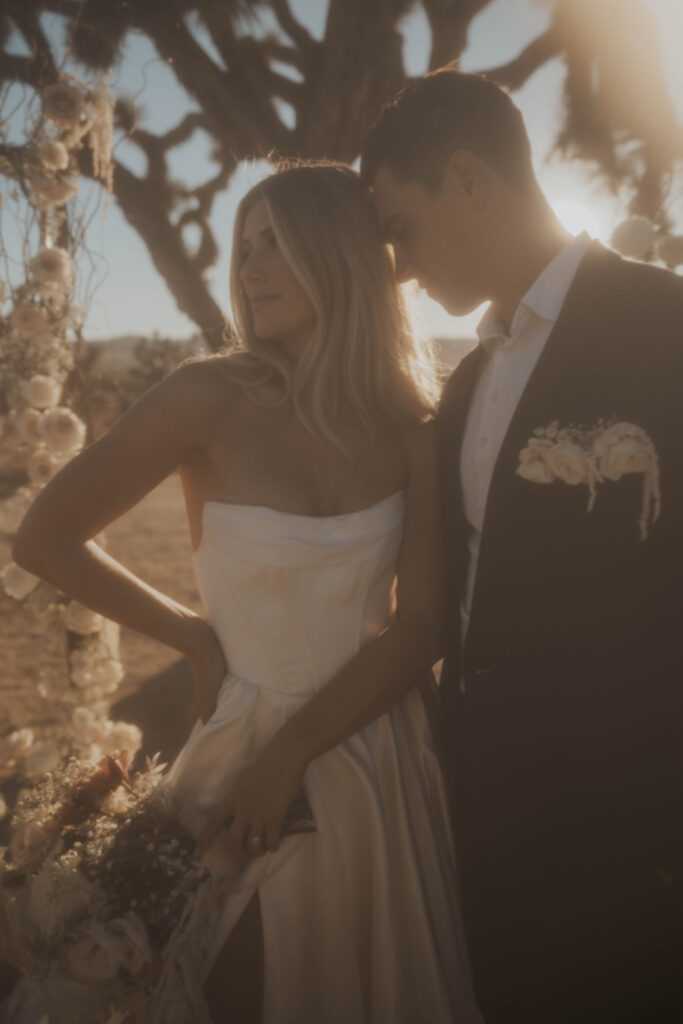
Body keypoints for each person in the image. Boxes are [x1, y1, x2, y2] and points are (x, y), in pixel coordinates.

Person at [12, 161, 481, 1024]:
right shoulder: (205, 396)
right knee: (233, 981)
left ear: (340, 255)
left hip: (378, 751)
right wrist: (191, 634)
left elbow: (417, 629)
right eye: (246, 247)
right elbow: (45, 536)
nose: (250, 268)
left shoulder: (415, 426)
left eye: (278, 244)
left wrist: (292, 754)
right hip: (239, 740)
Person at [361, 68, 683, 1023]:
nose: (400, 268)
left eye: (398, 229)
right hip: (488, 838)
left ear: (466, 177)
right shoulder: (462, 389)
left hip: (636, 844)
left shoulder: (664, 327)